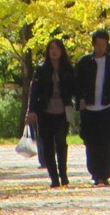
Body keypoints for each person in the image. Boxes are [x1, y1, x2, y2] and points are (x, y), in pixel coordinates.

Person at [75, 28, 110, 184]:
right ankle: (95, 174)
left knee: (108, 141)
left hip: (106, 107)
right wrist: (80, 99)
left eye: (104, 45)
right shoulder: (84, 62)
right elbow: (76, 84)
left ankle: (105, 173)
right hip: (89, 109)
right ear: (93, 45)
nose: (101, 48)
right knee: (91, 142)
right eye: (98, 45)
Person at [27, 38, 76, 187]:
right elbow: (34, 91)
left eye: (57, 48)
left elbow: (75, 87)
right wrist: (32, 111)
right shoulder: (41, 69)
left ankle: (64, 175)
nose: (54, 51)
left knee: (61, 143)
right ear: (48, 52)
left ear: (61, 51)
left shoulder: (67, 68)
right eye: (51, 49)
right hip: (45, 111)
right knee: (47, 145)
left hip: (63, 110)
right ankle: (54, 178)